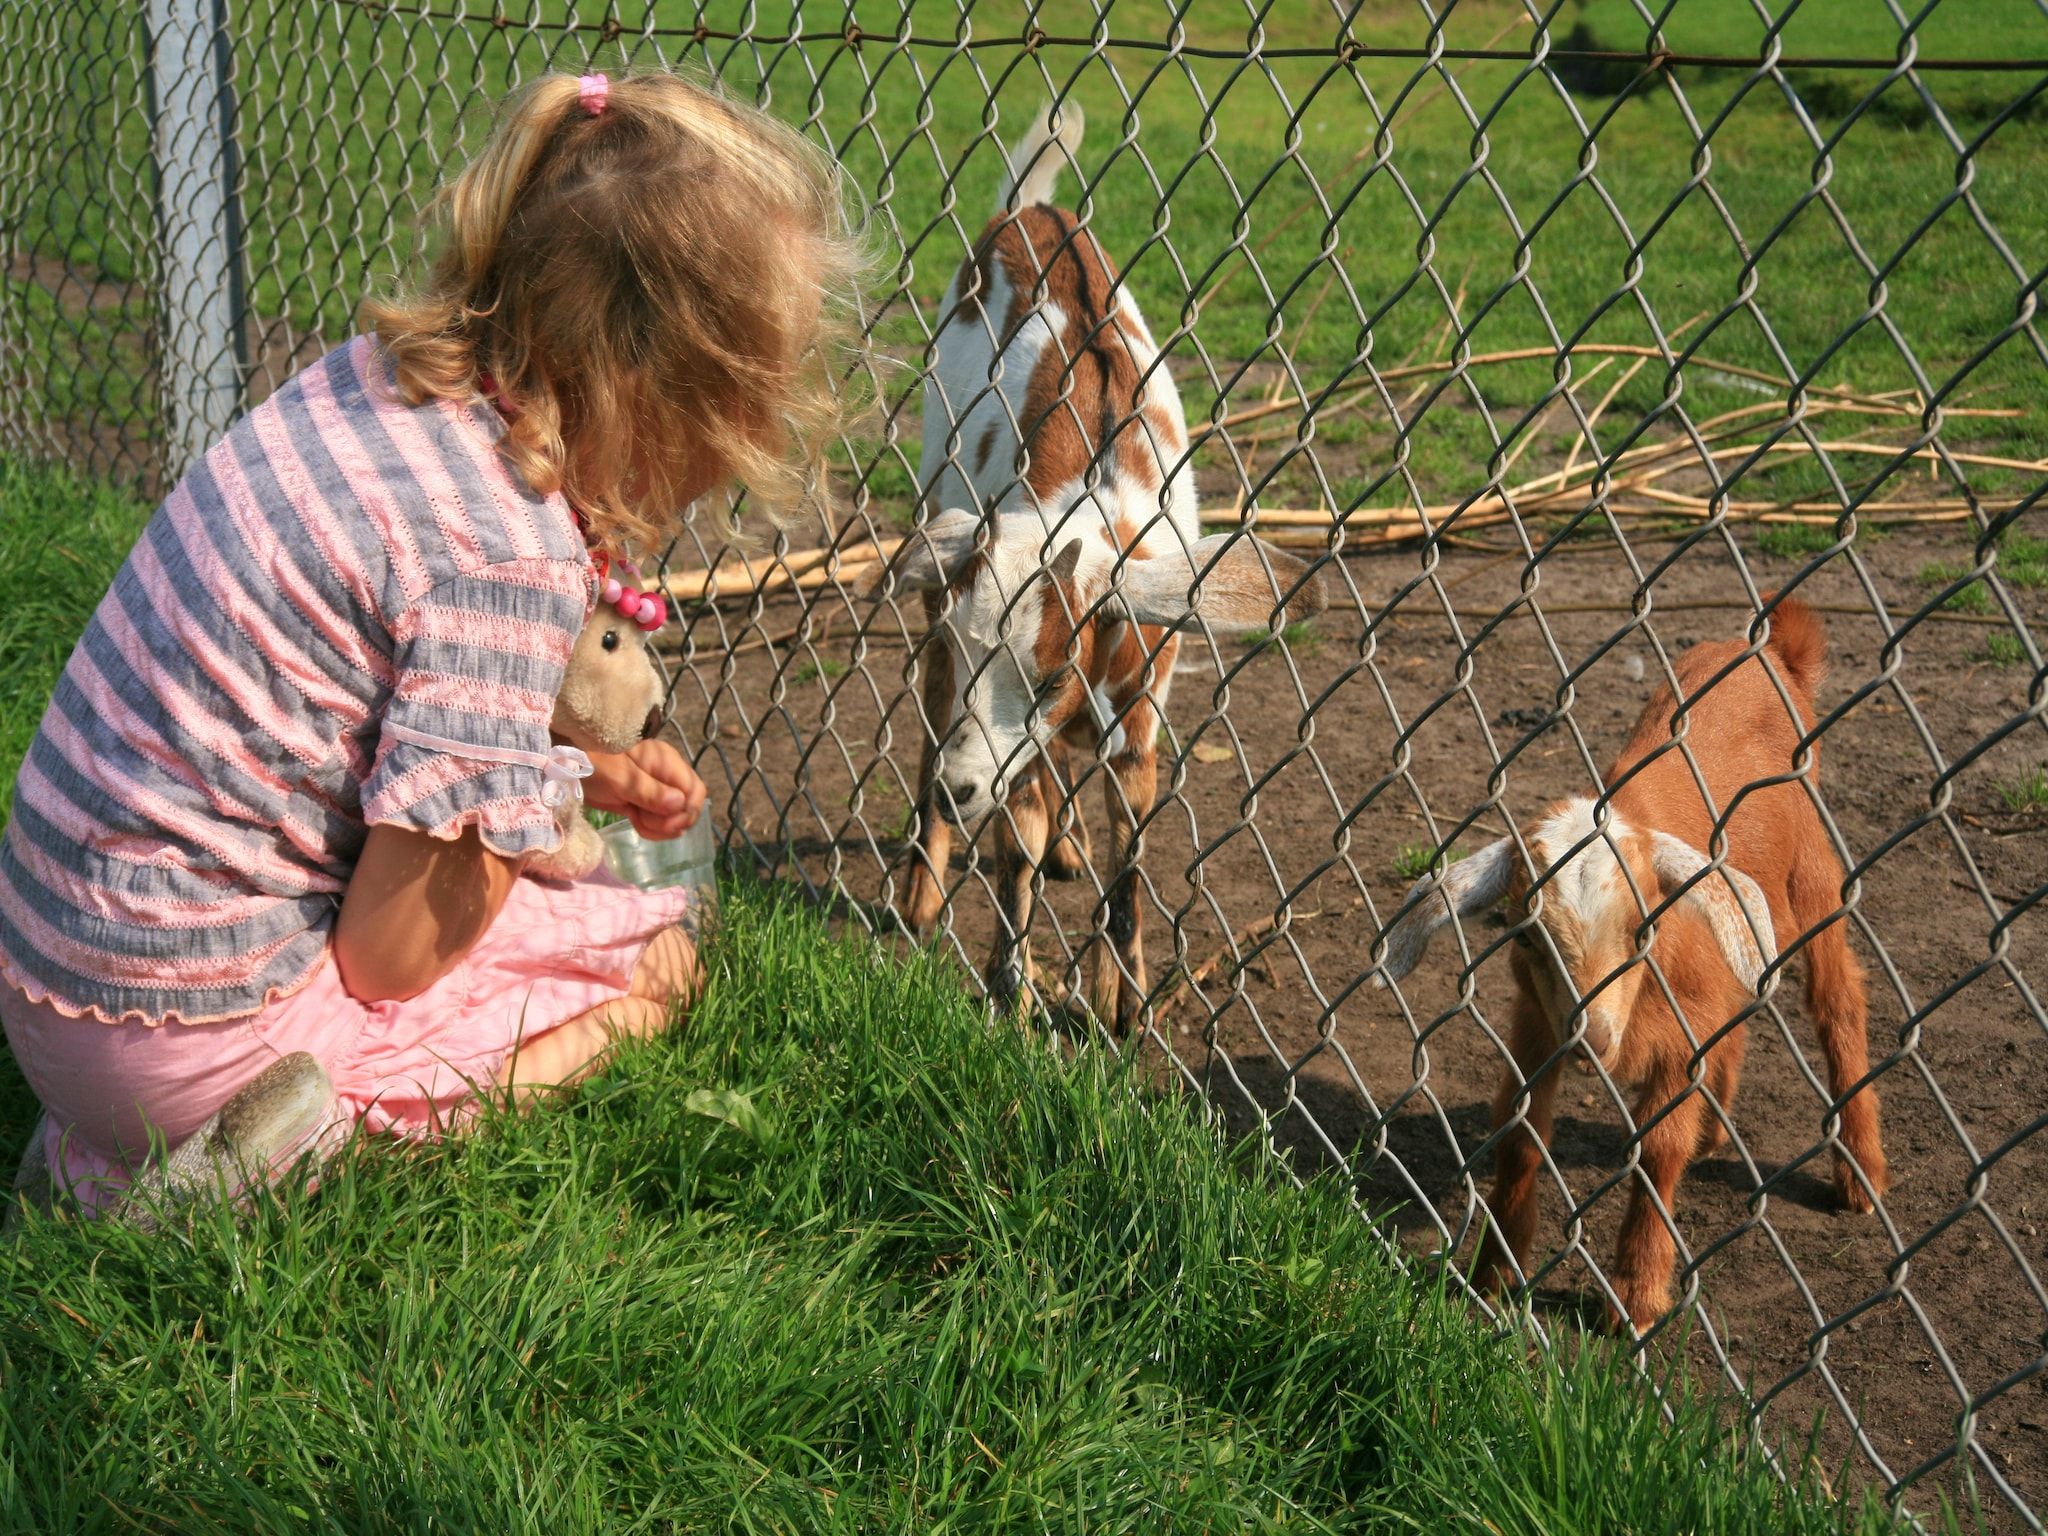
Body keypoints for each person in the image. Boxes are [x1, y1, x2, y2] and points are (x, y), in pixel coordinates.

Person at [0, 69, 869, 1215]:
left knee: (564, 902)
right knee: (652, 968)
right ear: (664, 397)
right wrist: (521, 806)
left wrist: (570, 776)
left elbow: (346, 726)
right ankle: (253, 1165)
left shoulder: (375, 389)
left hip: (57, 966)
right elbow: (391, 955)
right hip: (188, 1031)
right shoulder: (506, 555)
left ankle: (96, 1155)